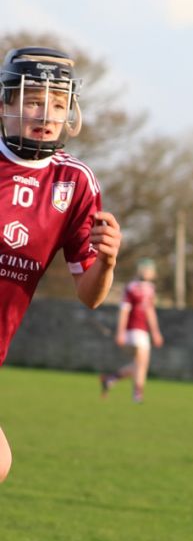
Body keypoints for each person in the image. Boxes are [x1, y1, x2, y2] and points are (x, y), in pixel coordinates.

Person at [0, 46, 121, 483]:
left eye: (58, 102)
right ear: (6, 104)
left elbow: (90, 296)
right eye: (34, 100)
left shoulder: (74, 183)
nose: (47, 113)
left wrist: (106, 262)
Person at [100, 257, 164, 403]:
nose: (150, 273)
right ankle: (137, 394)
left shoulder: (151, 289)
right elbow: (124, 311)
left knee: (141, 363)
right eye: (147, 269)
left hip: (143, 330)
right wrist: (120, 332)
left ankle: (110, 379)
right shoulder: (132, 287)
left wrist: (155, 332)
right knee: (141, 363)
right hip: (132, 330)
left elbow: (150, 312)